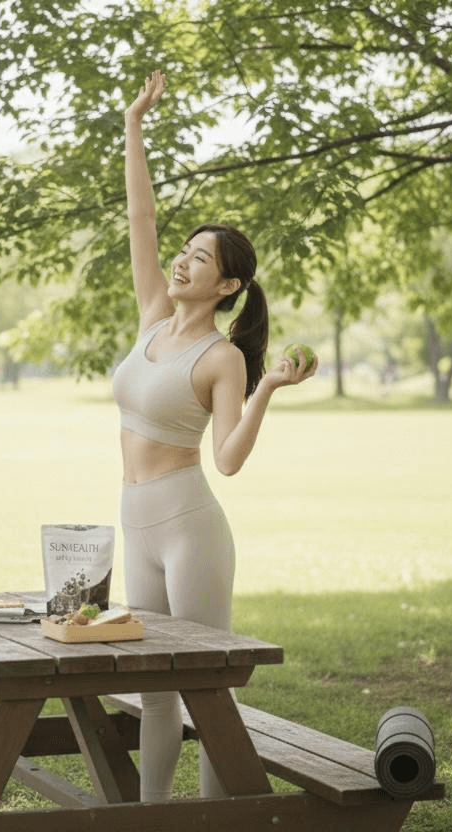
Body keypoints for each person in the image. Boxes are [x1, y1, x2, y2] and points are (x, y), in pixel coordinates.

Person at [112, 69, 318, 802]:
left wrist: (265, 390)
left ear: (226, 286)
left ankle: (213, 818)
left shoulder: (223, 358)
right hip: (135, 520)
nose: (181, 260)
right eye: (185, 251)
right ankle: (150, 816)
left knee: (203, 687)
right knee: (152, 687)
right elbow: (142, 219)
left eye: (200, 258)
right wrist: (135, 125)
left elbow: (227, 461)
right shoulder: (150, 320)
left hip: (190, 526)